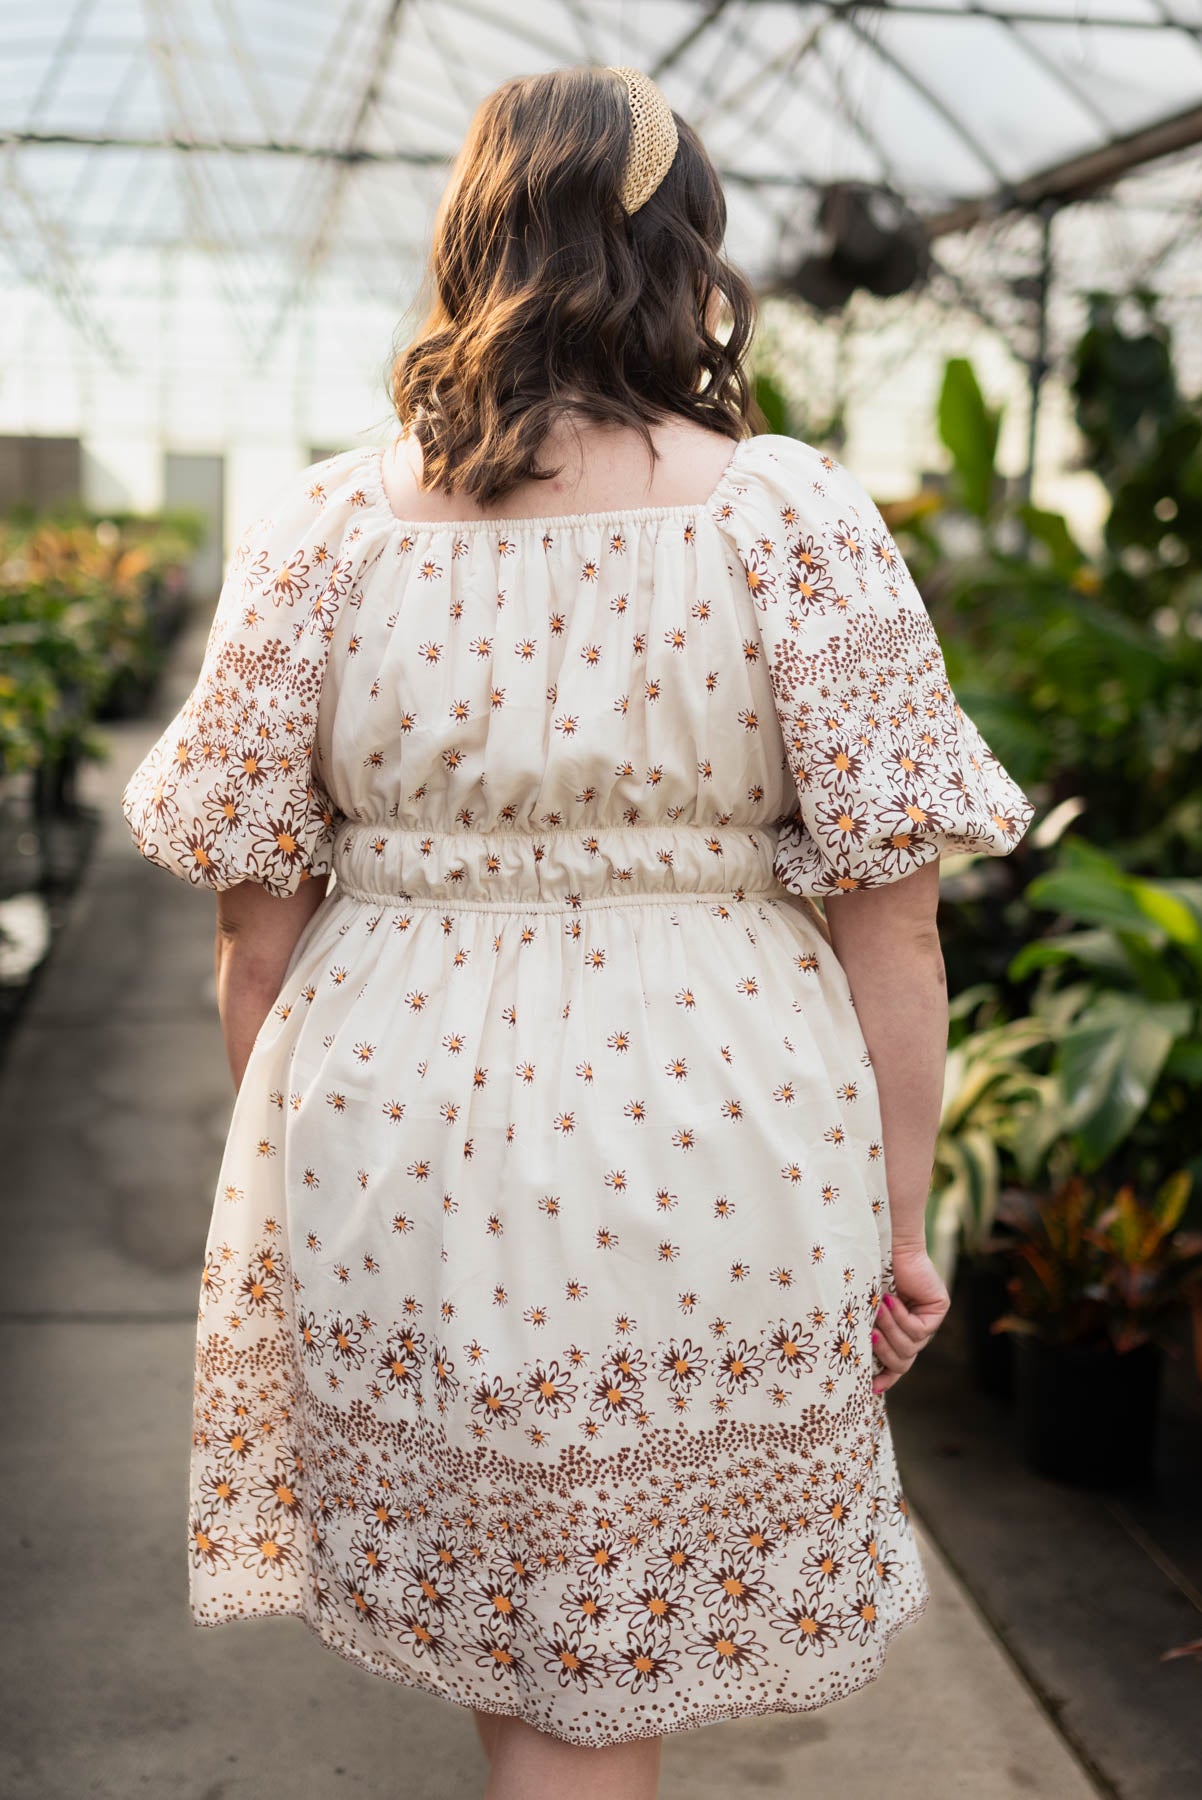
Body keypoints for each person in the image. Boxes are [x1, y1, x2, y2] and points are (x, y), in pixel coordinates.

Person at [122, 63, 1033, 1800]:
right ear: (686, 252)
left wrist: (301, 1187)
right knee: (596, 1680)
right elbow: (893, 928)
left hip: (395, 1125)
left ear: (473, 241)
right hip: (721, 1124)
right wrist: (896, 1219)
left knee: (545, 1675)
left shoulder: (323, 529)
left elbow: (256, 934)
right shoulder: (797, 523)